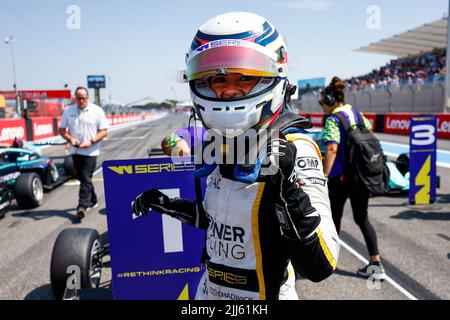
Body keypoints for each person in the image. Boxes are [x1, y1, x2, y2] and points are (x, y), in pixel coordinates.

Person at [131, 12, 339, 300]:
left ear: (273, 75)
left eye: (245, 77)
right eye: (217, 78)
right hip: (207, 295)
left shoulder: (295, 147)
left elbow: (321, 265)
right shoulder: (220, 140)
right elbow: (220, 222)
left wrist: (288, 187)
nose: (229, 89)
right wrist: (167, 205)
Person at [320, 77, 386, 280]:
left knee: (333, 220)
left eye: (322, 102)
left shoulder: (333, 119)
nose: (322, 106)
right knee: (362, 218)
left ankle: (327, 262)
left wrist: (323, 175)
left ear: (330, 100)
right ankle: (376, 264)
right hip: (361, 177)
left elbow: (331, 149)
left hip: (340, 178)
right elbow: (368, 135)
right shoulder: (358, 114)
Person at [59, 87, 109, 220]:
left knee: (85, 177)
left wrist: (91, 141)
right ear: (75, 97)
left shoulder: (97, 110)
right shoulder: (68, 111)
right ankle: (93, 200)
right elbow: (62, 130)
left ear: (88, 98)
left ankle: (81, 206)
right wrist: (70, 139)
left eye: (83, 98)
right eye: (78, 98)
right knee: (82, 177)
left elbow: (104, 131)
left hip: (91, 151)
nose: (81, 100)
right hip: (74, 150)